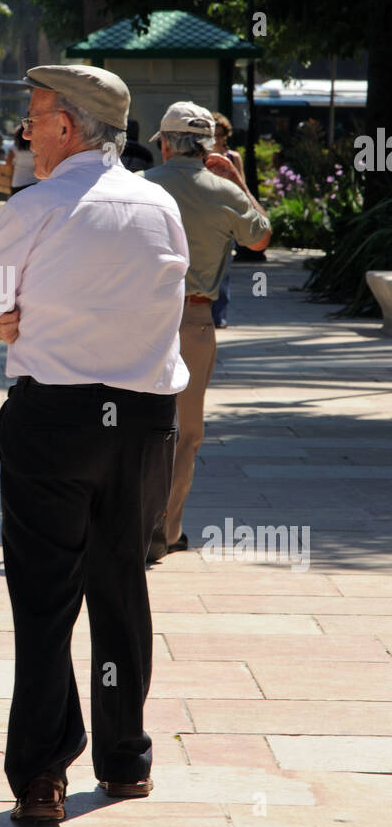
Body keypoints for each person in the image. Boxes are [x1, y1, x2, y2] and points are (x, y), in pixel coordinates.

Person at [0, 64, 190, 822]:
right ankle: (124, 758)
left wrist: (2, 319)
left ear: (68, 125)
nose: (25, 130)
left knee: (43, 599)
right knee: (121, 584)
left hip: (54, 419)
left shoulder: (38, 206)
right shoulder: (159, 206)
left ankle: (41, 774)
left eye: (33, 116)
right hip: (143, 422)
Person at [143, 102, 271, 560]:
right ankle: (165, 531)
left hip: (135, 319)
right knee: (184, 430)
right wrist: (236, 180)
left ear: (163, 143)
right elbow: (260, 237)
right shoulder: (223, 191)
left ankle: (124, 525)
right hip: (193, 320)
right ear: (209, 148)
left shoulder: (139, 187)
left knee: (128, 420)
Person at [209, 112, 245, 328]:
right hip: (207, 215)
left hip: (226, 218)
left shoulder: (234, 158)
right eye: (213, 133)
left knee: (224, 270)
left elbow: (242, 188)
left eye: (220, 133)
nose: (217, 137)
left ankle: (219, 316)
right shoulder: (200, 158)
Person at [3, 123, 38, 195]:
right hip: (35, 183)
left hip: (18, 182)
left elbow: (8, 164)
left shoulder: (14, 147)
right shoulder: (37, 147)